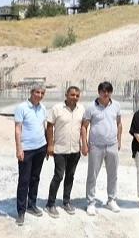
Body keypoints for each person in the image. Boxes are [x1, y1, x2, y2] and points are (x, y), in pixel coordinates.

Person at [44, 86, 86, 218]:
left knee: (70, 176)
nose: (75, 97)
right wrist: (50, 145)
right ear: (66, 95)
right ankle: (50, 204)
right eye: (72, 95)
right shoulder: (57, 108)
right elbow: (49, 127)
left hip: (75, 149)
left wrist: (84, 144)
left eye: (77, 95)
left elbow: (83, 127)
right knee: (58, 176)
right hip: (60, 149)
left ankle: (66, 201)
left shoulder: (81, 109)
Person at [82, 81, 122, 215]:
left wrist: (119, 140)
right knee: (92, 175)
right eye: (103, 91)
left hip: (112, 145)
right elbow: (84, 127)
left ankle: (111, 200)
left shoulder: (116, 105)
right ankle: (91, 202)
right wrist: (84, 144)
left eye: (108, 91)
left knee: (113, 174)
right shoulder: (91, 107)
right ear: (99, 92)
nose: (106, 94)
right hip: (96, 146)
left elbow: (119, 123)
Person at [13, 84, 48, 226]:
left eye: (42, 93)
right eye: (37, 92)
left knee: (35, 178)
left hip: (40, 147)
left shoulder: (42, 108)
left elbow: (43, 126)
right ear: (31, 92)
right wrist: (18, 148)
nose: (39, 95)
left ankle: (31, 204)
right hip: (27, 149)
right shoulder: (21, 108)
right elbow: (17, 129)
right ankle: (21, 211)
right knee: (24, 180)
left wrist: (47, 146)